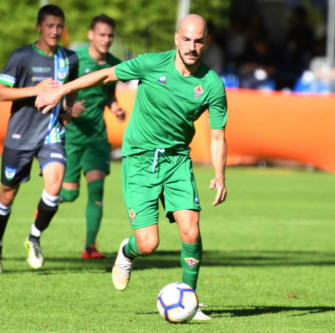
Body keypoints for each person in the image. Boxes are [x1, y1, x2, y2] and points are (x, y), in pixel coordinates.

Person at [35, 14, 227, 320]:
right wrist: (60, 91)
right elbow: (104, 75)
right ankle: (128, 252)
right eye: (187, 39)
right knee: (148, 243)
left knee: (191, 231)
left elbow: (217, 136)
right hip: (140, 160)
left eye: (199, 40)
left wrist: (219, 174)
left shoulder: (212, 84)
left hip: (177, 160)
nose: (192, 46)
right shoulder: (152, 64)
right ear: (177, 39)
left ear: (206, 43)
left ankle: (190, 299)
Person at [0, 4, 79, 273]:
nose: (55, 31)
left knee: (55, 184)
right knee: (7, 194)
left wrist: (67, 109)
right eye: (50, 26)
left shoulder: (69, 58)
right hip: (21, 134)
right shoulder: (22, 56)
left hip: (51, 133)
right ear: (39, 27)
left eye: (59, 26)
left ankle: (34, 237)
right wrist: (35, 90)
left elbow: (71, 87)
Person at [60, 14, 125, 260]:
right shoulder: (76, 61)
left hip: (97, 138)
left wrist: (115, 107)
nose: (106, 39)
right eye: (102, 34)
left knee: (96, 192)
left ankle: (90, 247)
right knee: (69, 195)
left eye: (110, 35)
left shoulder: (114, 65)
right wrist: (68, 109)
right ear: (91, 35)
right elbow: (59, 91)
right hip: (73, 137)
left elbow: (108, 95)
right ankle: (43, 210)